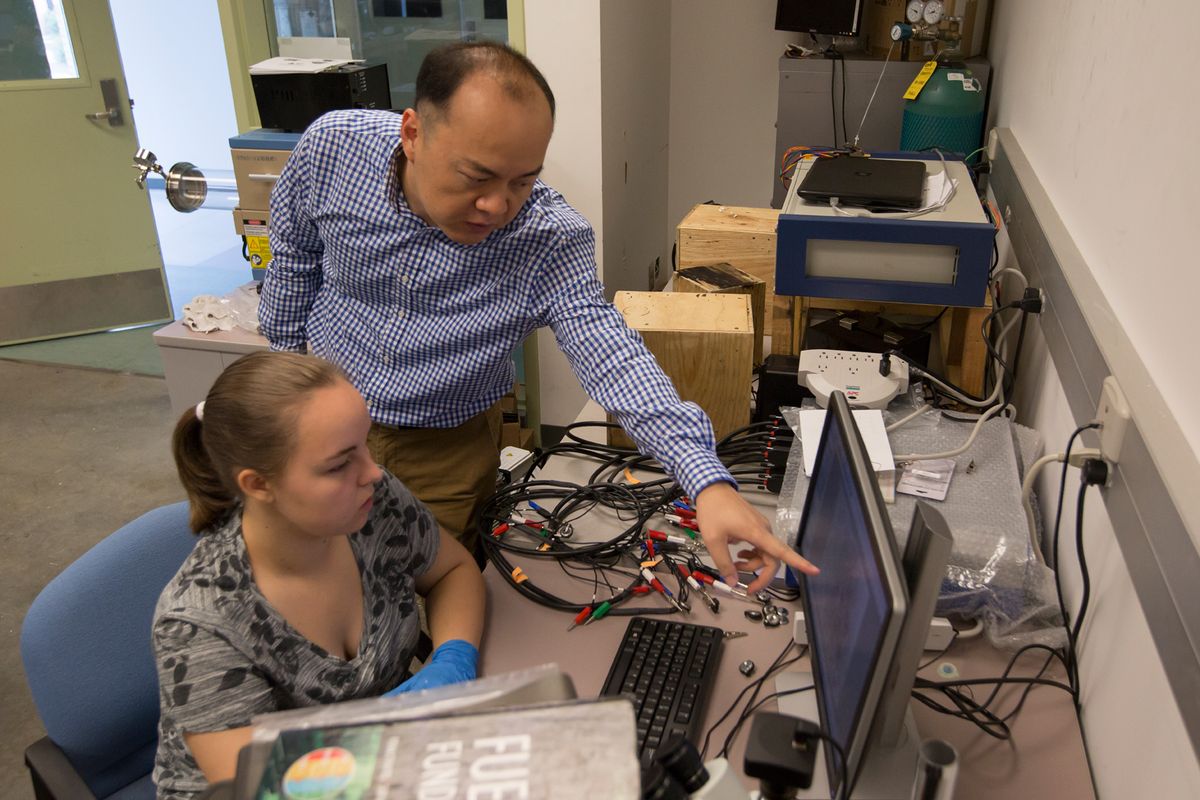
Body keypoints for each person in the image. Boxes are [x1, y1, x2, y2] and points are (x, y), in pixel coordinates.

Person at [260, 41, 816, 591]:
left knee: (408, 598)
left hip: (442, 448)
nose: (498, 206)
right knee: (308, 586)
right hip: (316, 418)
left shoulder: (547, 238)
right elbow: (292, 256)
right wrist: (285, 394)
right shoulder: (333, 149)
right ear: (413, 133)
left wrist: (707, 483)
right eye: (477, 177)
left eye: (522, 181)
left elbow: (611, 355)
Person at [152, 352, 485, 799]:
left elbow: (454, 571)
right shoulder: (200, 623)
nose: (371, 472)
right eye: (338, 464)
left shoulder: (372, 502)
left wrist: (454, 658)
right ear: (257, 484)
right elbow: (265, 789)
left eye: (365, 444)